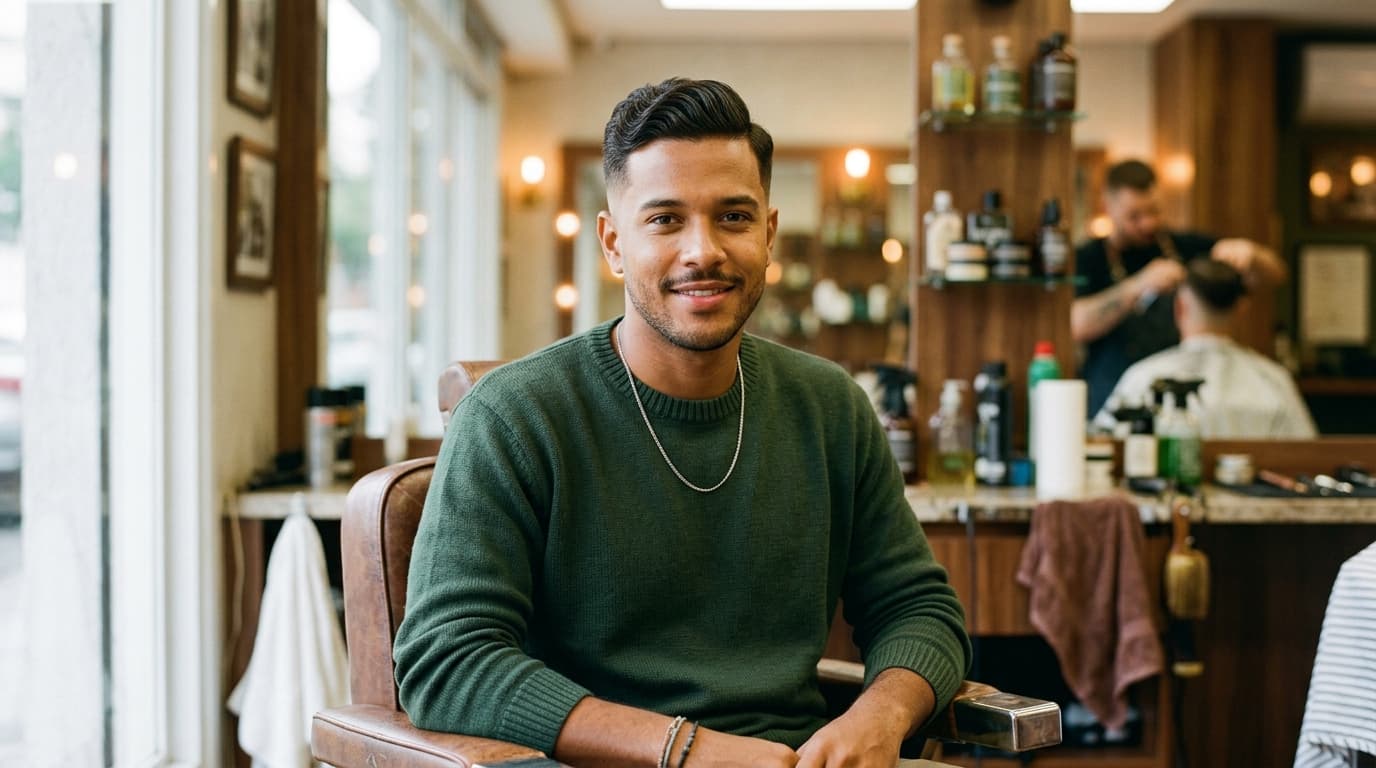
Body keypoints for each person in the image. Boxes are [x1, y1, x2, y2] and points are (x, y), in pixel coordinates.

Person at [393, 78, 971, 768]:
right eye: (665, 219)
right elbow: (447, 662)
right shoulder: (515, 416)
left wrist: (881, 717)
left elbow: (919, 608)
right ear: (612, 243)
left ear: (769, 233)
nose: (704, 250)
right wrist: (687, 750)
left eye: (733, 217)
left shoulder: (830, 407)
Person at [1072, 159, 1287, 416]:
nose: (1148, 223)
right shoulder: (1088, 257)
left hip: (1180, 400)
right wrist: (1138, 285)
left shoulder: (1185, 246)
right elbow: (1077, 324)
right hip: (1114, 399)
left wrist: (1252, 254)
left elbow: (1276, 275)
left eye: (1154, 211)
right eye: (1135, 216)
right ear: (1107, 206)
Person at [1095, 258, 1316, 439]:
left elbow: (1102, 446)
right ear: (1241, 309)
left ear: (1179, 307)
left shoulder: (1143, 377)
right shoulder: (1273, 380)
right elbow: (1305, 453)